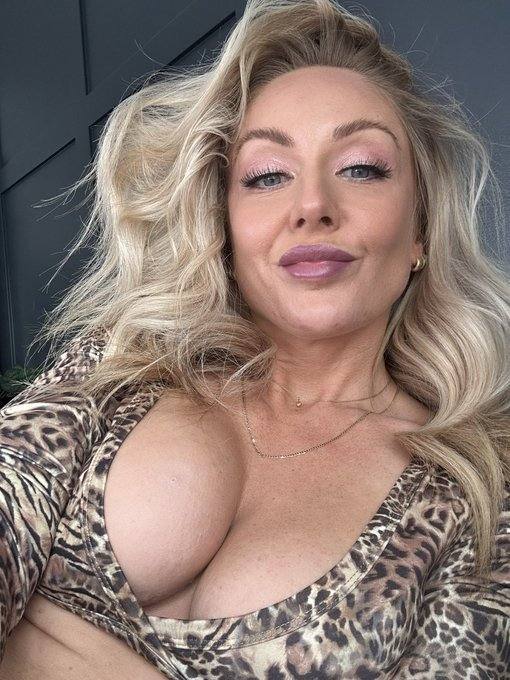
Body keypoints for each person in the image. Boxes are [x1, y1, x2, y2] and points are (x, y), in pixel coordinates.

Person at [1, 0, 509, 678]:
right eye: (267, 176)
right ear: (226, 228)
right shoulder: (120, 366)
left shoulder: (477, 494)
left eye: (361, 167)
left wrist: (45, 639)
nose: (312, 205)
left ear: (420, 229)